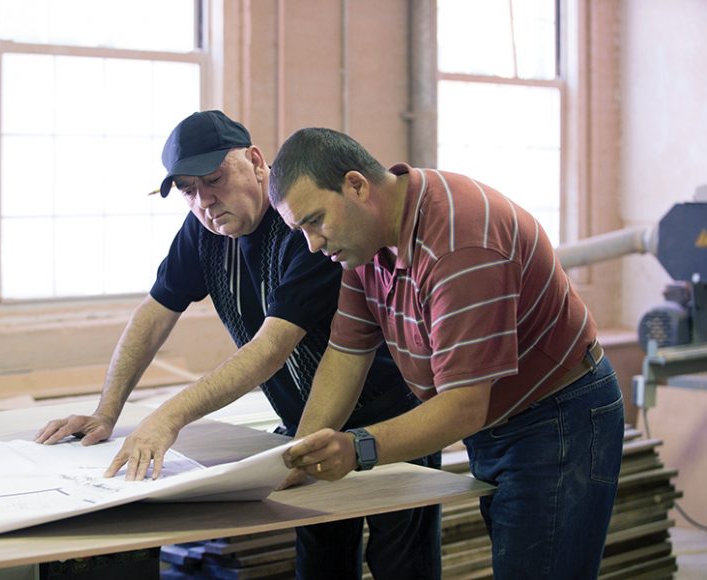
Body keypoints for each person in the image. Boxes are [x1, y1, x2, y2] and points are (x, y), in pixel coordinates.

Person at [35, 111, 441, 580]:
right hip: (303, 427)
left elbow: (271, 348)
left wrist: (168, 416)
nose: (205, 201)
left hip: (387, 423)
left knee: (402, 565)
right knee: (321, 564)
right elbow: (153, 315)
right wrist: (108, 412)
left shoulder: (304, 229)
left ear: (255, 161)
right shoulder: (203, 231)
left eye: (215, 179)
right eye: (189, 190)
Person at [268, 127, 625, 580]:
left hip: (557, 419)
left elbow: (463, 406)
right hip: (500, 420)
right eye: (300, 229)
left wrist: (356, 448)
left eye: (315, 220)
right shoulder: (365, 246)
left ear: (357, 185)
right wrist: (300, 454)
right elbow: (345, 353)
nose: (312, 244)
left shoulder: (459, 241)